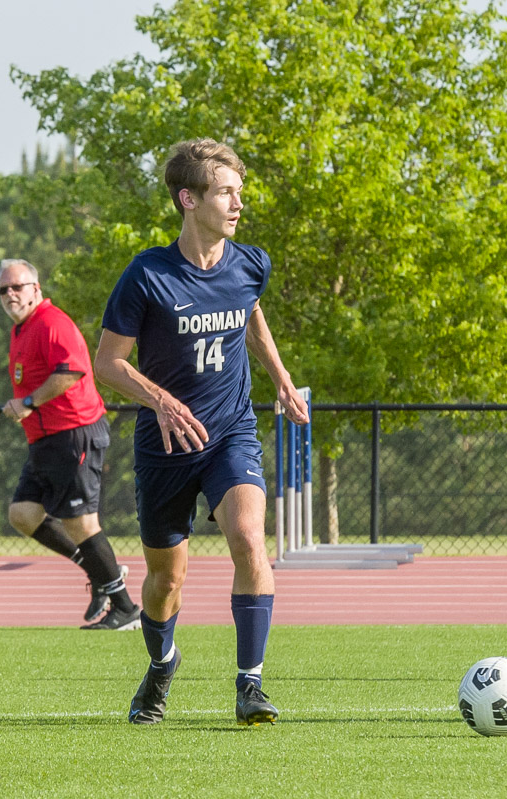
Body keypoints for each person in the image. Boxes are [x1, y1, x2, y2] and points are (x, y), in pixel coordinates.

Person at [94, 138, 309, 727]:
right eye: (226, 192)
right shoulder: (147, 274)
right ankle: (162, 664)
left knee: (248, 537)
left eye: (240, 192)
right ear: (189, 199)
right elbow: (106, 363)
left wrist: (283, 380)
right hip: (164, 445)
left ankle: (250, 686)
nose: (238, 203)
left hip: (231, 431)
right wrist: (159, 400)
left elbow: (251, 314)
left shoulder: (250, 262)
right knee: (166, 580)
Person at [0, 258, 141, 631]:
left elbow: (74, 369)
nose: (10, 294)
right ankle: (98, 571)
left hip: (73, 432)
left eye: (17, 286)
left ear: (36, 289)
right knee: (23, 514)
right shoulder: (21, 329)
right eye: (4, 289)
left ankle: (125, 608)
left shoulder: (51, 322)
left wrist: (27, 403)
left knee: (80, 521)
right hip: (46, 440)